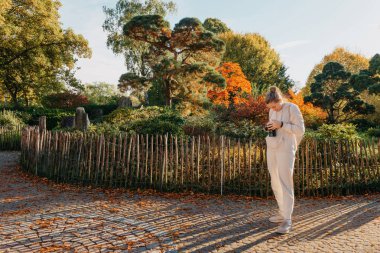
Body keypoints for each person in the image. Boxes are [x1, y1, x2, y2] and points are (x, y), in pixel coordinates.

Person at [264, 86, 305, 234]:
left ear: (280, 100)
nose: (273, 110)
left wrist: (281, 124)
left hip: (286, 149)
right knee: (274, 180)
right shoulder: (271, 110)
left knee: (285, 182)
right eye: (270, 108)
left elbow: (300, 130)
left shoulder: (291, 108)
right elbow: (274, 126)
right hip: (272, 146)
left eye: (274, 106)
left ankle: (287, 219)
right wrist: (271, 126)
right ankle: (282, 212)